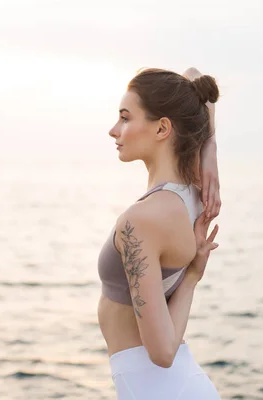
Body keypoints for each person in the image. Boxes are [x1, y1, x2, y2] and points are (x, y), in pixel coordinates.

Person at [97, 66, 222, 400]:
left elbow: (163, 352)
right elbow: (195, 82)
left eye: (125, 118)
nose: (113, 130)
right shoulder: (192, 193)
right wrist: (209, 149)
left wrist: (193, 278)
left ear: (163, 128)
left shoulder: (143, 220)